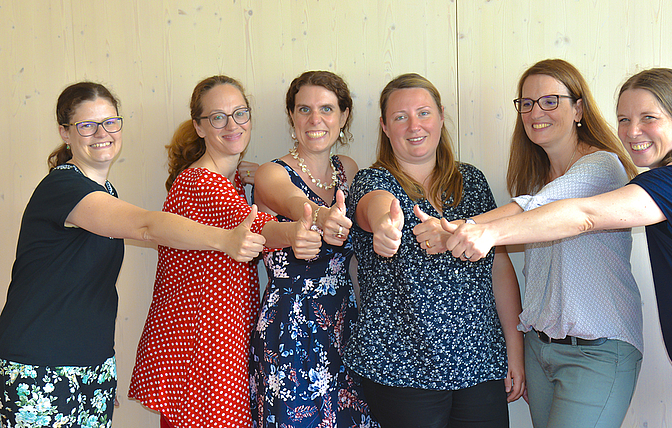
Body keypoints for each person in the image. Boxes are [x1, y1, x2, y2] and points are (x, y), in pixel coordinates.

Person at [446, 68, 672, 427]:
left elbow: (584, 215)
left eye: (648, 118)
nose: (631, 132)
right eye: (624, 119)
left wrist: (481, 232)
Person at [0, 81, 265, 427]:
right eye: (87, 125)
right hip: (38, 364)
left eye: (110, 122)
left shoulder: (105, 192)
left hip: (90, 363)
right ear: (65, 133)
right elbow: (146, 226)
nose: (102, 133)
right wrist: (226, 239)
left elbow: (166, 236)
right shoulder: (63, 187)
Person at [444, 59, 644, 427]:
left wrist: (459, 228)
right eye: (527, 103)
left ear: (578, 108)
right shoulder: (535, 180)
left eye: (550, 101)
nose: (536, 112)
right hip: (541, 350)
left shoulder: (603, 166)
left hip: (597, 351)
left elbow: (542, 206)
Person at [128, 75, 320, 428]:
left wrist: (255, 175)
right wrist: (298, 230)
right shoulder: (202, 181)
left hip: (209, 341)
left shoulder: (224, 180)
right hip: (202, 345)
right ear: (200, 127)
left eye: (240, 113)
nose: (232, 125)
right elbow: (260, 228)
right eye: (218, 117)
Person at [345, 73, 525, 428]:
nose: (414, 125)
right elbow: (375, 208)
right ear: (384, 126)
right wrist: (385, 226)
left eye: (424, 113)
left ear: (441, 116)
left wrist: (514, 352)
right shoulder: (373, 180)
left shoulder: (471, 180)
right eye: (400, 117)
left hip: (479, 363)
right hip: (399, 367)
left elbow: (498, 267)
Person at [249, 70, 377, 427]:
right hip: (291, 325)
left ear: (344, 116)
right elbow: (292, 203)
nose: (315, 119)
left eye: (326, 109)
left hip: (345, 321)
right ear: (291, 116)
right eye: (304, 109)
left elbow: (354, 260)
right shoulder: (271, 173)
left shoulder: (347, 170)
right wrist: (321, 216)